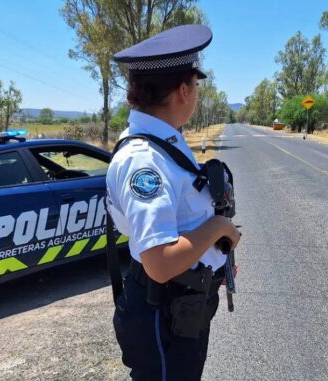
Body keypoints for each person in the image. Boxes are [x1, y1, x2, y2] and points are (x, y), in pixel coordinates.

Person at [106, 24, 241, 380]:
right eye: (195, 85)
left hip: (182, 307)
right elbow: (160, 263)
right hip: (162, 314)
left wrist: (213, 264)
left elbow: (180, 221)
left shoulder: (165, 144)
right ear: (184, 89)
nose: (195, 93)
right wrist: (218, 229)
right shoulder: (145, 160)